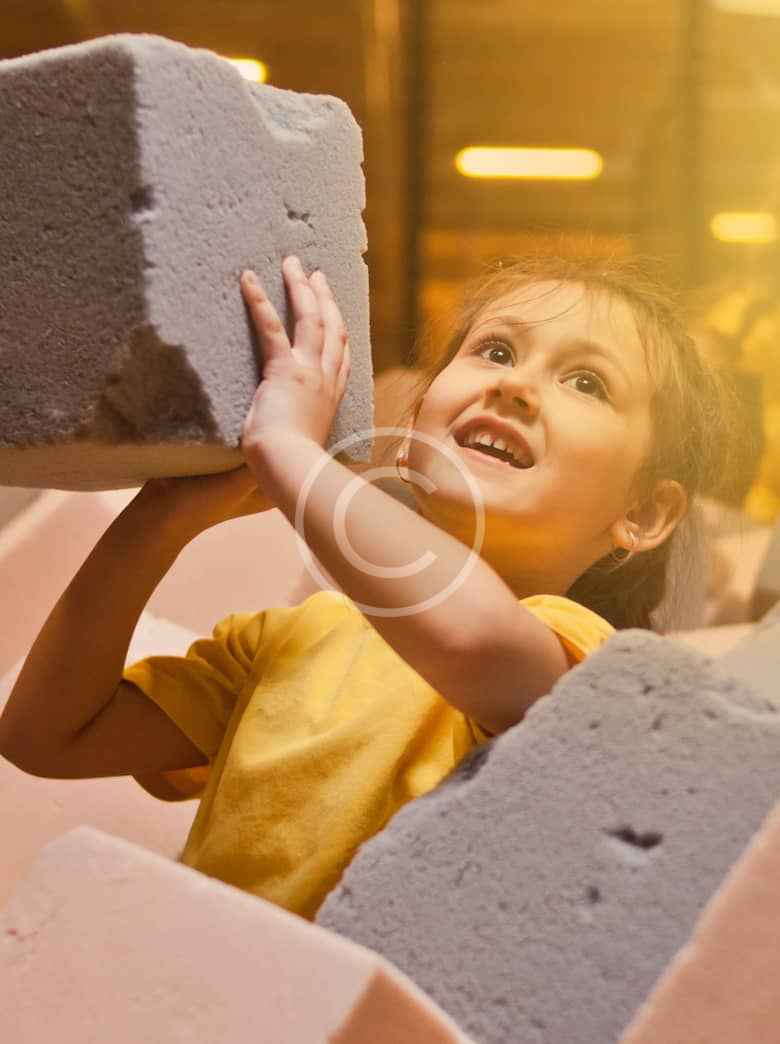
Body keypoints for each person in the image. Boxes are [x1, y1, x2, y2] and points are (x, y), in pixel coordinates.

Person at [0, 251, 739, 922]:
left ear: (644, 513)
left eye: (587, 382)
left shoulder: (586, 663)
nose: (514, 385)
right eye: (495, 350)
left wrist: (290, 451)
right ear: (415, 423)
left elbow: (476, 639)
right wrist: (163, 517)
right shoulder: (289, 639)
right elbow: (45, 735)